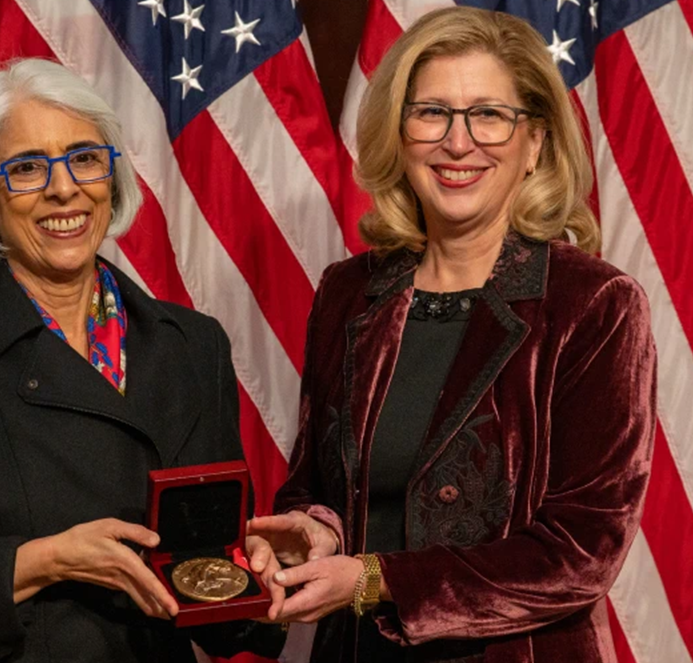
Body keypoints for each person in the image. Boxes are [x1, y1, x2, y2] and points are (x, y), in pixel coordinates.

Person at [0, 58, 283, 663]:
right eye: (27, 168)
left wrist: (256, 579)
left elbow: (206, 595)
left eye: (85, 158)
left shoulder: (192, 346)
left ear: (111, 178)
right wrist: (39, 561)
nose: (64, 188)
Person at [248, 7, 657, 663]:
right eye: (431, 112)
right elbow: (315, 485)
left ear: (537, 144)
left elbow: (582, 552)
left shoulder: (594, 305)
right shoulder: (348, 294)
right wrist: (313, 531)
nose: (458, 142)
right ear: (399, 134)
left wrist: (374, 580)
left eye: (489, 115)